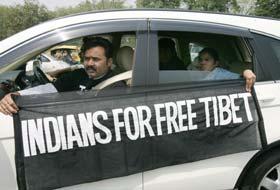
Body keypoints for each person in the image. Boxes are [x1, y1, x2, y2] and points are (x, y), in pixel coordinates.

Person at [0, 37, 125, 115]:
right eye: (87, 59)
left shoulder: (116, 86)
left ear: (109, 62)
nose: (90, 63)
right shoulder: (78, 75)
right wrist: (18, 95)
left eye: (96, 59)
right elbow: (50, 89)